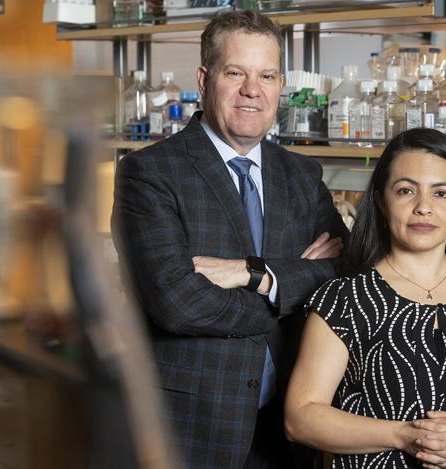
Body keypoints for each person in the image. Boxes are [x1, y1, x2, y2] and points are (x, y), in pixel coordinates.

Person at [111, 10, 349, 469]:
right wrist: (288, 295)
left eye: (267, 76)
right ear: (205, 80)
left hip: (288, 426)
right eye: (235, 73)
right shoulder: (150, 173)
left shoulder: (301, 174)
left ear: (280, 86)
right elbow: (177, 302)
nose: (252, 90)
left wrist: (257, 275)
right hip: (188, 427)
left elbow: (345, 273)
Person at [284, 128, 446, 469]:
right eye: (406, 191)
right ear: (381, 201)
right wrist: (403, 435)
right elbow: (300, 418)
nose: (424, 207)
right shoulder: (345, 299)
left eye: (441, 193)